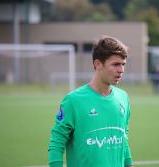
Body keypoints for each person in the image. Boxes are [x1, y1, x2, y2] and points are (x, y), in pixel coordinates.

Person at [48, 36, 134, 167]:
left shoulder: (123, 98)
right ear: (98, 64)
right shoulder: (73, 100)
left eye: (123, 64)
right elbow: (57, 142)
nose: (121, 70)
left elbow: (122, 140)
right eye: (116, 64)